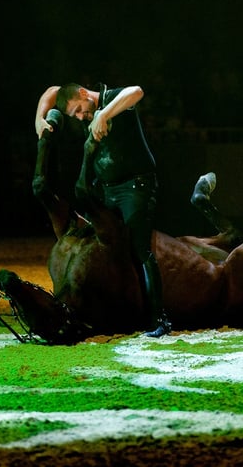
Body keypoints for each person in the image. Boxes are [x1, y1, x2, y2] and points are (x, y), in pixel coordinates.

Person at [35, 83, 171, 337]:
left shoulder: (113, 99)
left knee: (139, 250)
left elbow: (138, 91)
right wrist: (39, 120)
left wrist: (104, 114)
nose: (79, 117)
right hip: (106, 190)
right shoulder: (78, 102)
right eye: (74, 115)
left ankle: (159, 319)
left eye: (78, 110)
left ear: (85, 95)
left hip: (135, 187)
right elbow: (52, 90)